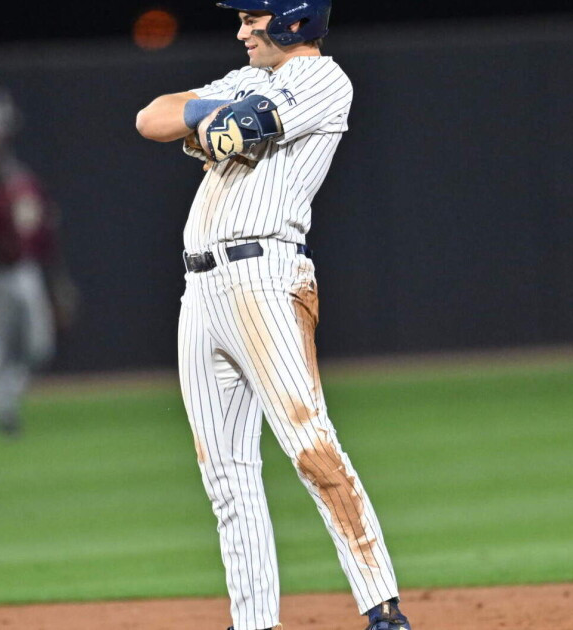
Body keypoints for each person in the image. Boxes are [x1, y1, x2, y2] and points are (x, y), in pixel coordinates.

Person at [135, 2, 412, 629]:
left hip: (265, 277)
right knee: (224, 475)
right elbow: (150, 118)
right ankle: (255, 623)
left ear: (293, 19)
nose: (240, 31)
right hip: (201, 287)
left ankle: (383, 611)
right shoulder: (248, 77)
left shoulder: (323, 79)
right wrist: (208, 114)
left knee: (311, 448)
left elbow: (235, 132)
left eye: (251, 18)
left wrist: (203, 118)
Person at [0, 132, 69, 437]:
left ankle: (9, 391)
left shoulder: (25, 188)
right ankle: (4, 411)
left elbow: (44, 235)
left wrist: (57, 281)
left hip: (25, 270)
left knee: (40, 346)